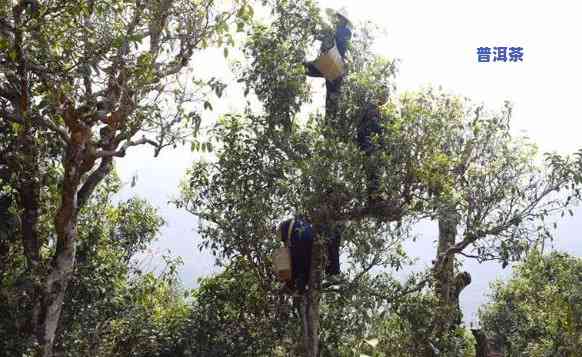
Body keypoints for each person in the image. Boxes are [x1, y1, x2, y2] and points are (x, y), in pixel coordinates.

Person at [278, 217, 342, 293]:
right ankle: (333, 274)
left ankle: (332, 274)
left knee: (294, 264)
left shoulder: (295, 238)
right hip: (317, 245)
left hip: (310, 248)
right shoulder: (302, 224)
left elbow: (298, 261)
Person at [356, 101, 385, 204]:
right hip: (370, 151)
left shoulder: (363, 125)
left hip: (369, 152)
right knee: (373, 174)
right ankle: (373, 197)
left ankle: (373, 197)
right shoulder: (370, 123)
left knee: (372, 175)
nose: (375, 113)